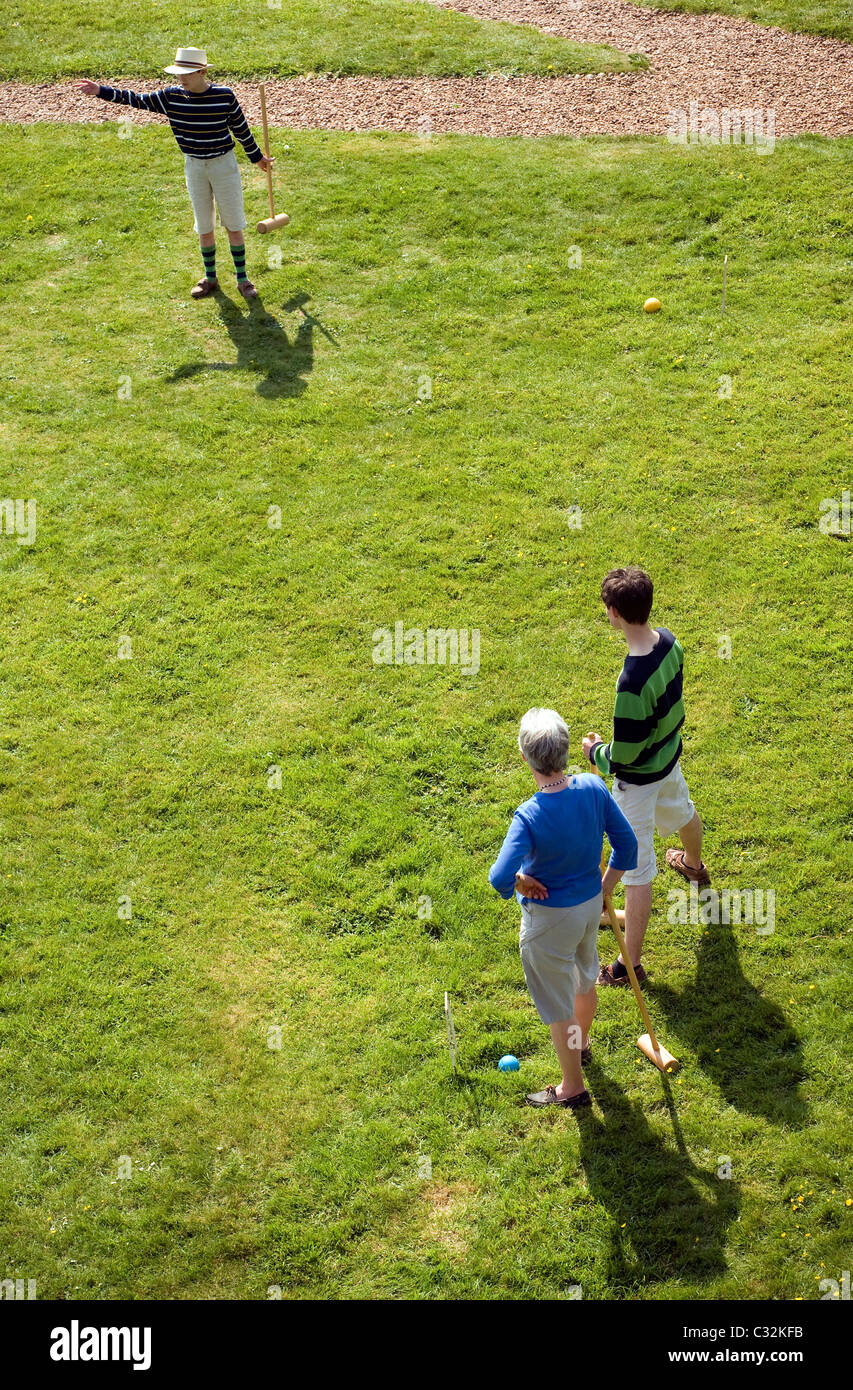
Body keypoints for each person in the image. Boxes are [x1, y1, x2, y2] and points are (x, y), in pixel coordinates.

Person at [489, 709, 637, 1110]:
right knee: (584, 984)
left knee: (558, 1006)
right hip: (589, 909)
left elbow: (498, 877)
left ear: (525, 758)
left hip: (549, 923)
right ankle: (581, 1044)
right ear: (567, 751)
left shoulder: (529, 816)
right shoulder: (593, 786)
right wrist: (605, 888)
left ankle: (572, 1086)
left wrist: (519, 881)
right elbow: (628, 847)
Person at [582, 566, 710, 989]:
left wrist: (596, 753)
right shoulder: (671, 642)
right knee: (683, 812)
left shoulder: (631, 684)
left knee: (636, 871)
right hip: (668, 759)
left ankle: (627, 966)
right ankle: (693, 865)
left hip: (637, 783)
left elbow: (625, 754)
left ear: (615, 613)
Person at [74, 47, 273, 300]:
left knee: (233, 225)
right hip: (194, 166)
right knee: (204, 226)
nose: (181, 78)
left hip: (223, 166)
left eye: (187, 73)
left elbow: (241, 130)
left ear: (202, 72)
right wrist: (101, 91)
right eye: (179, 73)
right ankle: (210, 278)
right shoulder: (171, 97)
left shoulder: (224, 96)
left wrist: (257, 158)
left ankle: (242, 279)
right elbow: (136, 99)